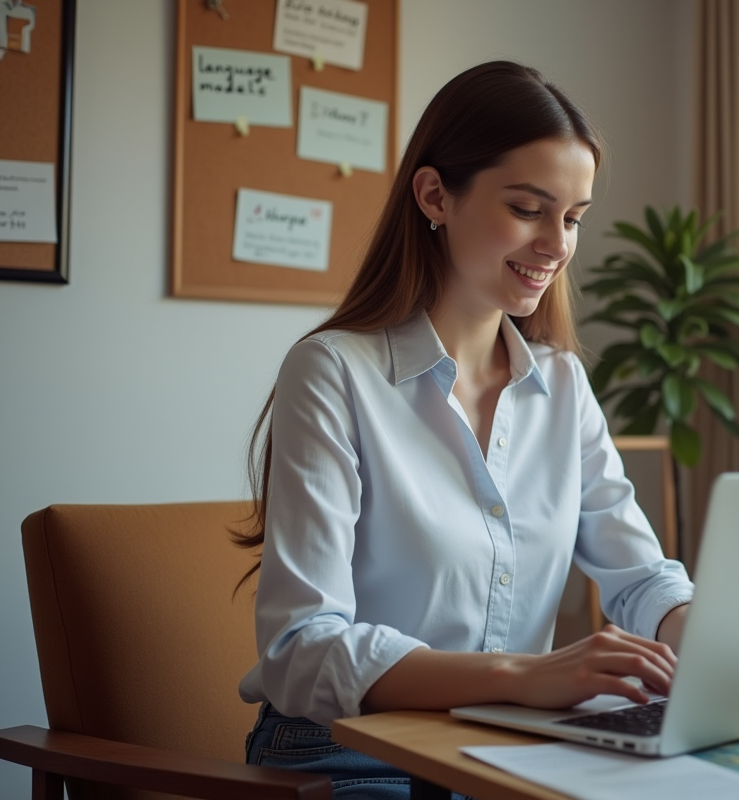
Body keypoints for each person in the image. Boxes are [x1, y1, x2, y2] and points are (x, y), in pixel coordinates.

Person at [234, 61, 694, 797]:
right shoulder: (333, 373)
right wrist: (524, 676)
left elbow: (639, 576)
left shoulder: (563, 385)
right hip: (348, 755)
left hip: (509, 751)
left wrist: (703, 640)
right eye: (527, 209)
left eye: (572, 218)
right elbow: (300, 650)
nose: (557, 244)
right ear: (434, 195)